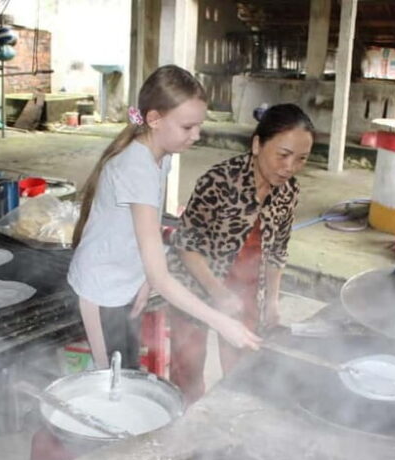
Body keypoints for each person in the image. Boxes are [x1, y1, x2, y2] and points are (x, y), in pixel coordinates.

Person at [68, 65, 260, 371]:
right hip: (102, 288)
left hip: (126, 279)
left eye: (199, 125)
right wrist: (221, 322)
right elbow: (162, 277)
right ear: (154, 119)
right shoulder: (136, 167)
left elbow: (149, 227)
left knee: (127, 370)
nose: (196, 135)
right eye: (187, 127)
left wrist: (144, 279)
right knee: (110, 380)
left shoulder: (162, 156)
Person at [166, 103, 315, 402]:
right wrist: (218, 293)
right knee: (188, 368)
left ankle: (229, 423)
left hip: (244, 288)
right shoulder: (219, 181)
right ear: (258, 145)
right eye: (283, 155)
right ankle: (185, 425)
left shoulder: (289, 191)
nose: (290, 167)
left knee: (242, 369)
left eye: (301, 159)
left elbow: (277, 251)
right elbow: (186, 246)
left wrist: (272, 300)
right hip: (196, 286)